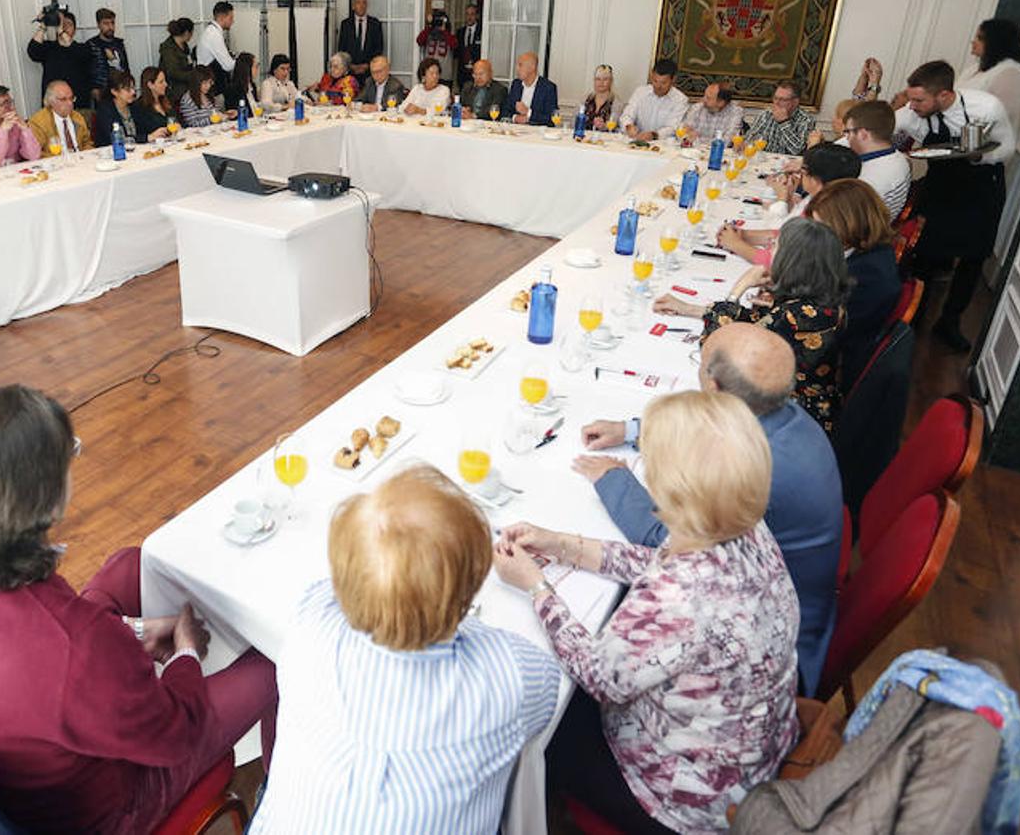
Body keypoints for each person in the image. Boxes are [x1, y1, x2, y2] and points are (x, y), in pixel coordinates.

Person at [0, 385, 278, 834]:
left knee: (128, 565)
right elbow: (175, 734)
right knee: (275, 663)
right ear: (43, 500)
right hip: (98, 812)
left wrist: (127, 634)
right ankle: (285, 803)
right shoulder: (71, 649)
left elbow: (43, 657)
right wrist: (185, 654)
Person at [495, 390, 800, 834]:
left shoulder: (679, 595)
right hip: (750, 746)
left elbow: (599, 676)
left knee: (542, 726)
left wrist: (536, 587)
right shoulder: (744, 523)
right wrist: (563, 544)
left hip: (689, 798)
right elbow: (659, 558)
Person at [251, 464, 562, 833]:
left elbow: (339, 586)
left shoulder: (311, 619)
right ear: (471, 587)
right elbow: (546, 703)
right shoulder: (511, 674)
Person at [576, 324, 842, 697]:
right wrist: (632, 431)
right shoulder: (778, 416)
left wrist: (613, 479)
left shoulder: (758, 468)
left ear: (714, 387)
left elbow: (666, 538)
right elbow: (708, 427)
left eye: (700, 365)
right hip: (772, 606)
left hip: (762, 651)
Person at [658, 217, 849, 431]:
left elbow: (722, 354)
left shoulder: (794, 316)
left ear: (792, 261)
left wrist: (738, 289)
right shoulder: (822, 302)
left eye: (776, 246)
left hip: (783, 421)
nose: (769, 250)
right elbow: (759, 325)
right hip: (817, 408)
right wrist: (691, 309)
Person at [894, 59, 1016, 352]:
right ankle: (913, 320)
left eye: (919, 100)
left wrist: (977, 156)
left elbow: (1007, 147)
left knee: (973, 258)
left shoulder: (986, 108)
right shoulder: (911, 113)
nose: (912, 106)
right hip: (941, 184)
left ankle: (949, 322)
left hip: (982, 186)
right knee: (924, 253)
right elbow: (883, 127)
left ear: (944, 96)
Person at [806, 178, 901, 389]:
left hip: (827, 367)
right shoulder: (869, 252)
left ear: (848, 224)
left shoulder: (869, 276)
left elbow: (821, 329)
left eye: (823, 228)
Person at [717, 143, 861, 264]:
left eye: (802, 171)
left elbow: (783, 265)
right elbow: (788, 237)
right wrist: (746, 235)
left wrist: (736, 245)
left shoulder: (823, 216)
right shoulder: (830, 201)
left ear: (813, 178)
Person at [960, 19, 1020, 268]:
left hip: (984, 163)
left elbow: (1002, 122)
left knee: (973, 239)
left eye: (979, 37)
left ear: (994, 42)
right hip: (962, 156)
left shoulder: (1012, 74)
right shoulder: (978, 66)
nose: (973, 42)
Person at [843, 100, 911, 219]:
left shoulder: (868, 182)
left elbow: (843, 220)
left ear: (863, 134)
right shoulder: (899, 157)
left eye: (848, 132)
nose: (846, 138)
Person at [27, 8, 94, 108]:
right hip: (53, 105)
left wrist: (61, 31)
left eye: (69, 24)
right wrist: (44, 25)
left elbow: (81, 54)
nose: (64, 27)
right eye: (62, 24)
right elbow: (33, 52)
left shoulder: (83, 48)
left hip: (78, 104)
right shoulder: (49, 47)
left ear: (75, 30)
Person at [620, 58, 688, 140]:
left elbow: (672, 127)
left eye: (663, 83)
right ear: (652, 75)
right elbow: (627, 115)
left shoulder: (680, 100)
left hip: (662, 144)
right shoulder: (640, 92)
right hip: (636, 139)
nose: (658, 86)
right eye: (655, 81)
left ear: (673, 80)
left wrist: (654, 135)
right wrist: (628, 126)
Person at [94, 71, 167, 145]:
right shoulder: (105, 111)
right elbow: (117, 138)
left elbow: (145, 127)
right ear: (114, 92)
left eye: (133, 88)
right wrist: (147, 137)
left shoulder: (134, 106)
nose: (133, 92)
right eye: (127, 89)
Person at [744, 80, 816, 155]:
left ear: (795, 102)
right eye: (775, 98)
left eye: (782, 100)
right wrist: (744, 143)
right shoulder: (766, 114)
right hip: (764, 160)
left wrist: (784, 122)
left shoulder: (806, 120)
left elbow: (798, 151)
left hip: (789, 164)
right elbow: (750, 138)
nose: (777, 103)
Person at [26, 80, 94, 154]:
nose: (70, 103)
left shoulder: (77, 117)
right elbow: (38, 153)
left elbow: (87, 143)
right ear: (50, 101)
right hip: (55, 162)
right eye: (63, 99)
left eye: (71, 98)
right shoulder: (38, 122)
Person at [86, 8, 130, 106]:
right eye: (106, 23)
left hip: (120, 90)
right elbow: (86, 71)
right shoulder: (91, 45)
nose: (110, 27)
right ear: (98, 25)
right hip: (101, 92)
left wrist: (128, 87)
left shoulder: (119, 44)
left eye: (112, 23)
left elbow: (125, 68)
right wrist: (93, 89)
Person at [337, 0, 383, 83]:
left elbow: (379, 47)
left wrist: (367, 65)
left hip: (370, 71)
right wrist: (351, 65)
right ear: (353, 6)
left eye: (364, 3)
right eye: (358, 3)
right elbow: (342, 48)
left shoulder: (375, 24)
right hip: (350, 71)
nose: (361, 6)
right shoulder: (345, 24)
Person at [681, 81, 746, 142]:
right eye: (704, 95)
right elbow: (685, 131)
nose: (703, 99)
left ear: (721, 102)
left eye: (708, 98)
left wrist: (697, 139)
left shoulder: (736, 112)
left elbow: (727, 141)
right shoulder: (697, 108)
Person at [506, 51, 558, 126]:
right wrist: (515, 117)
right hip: (515, 130)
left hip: (537, 133)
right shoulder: (516, 84)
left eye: (520, 65)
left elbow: (551, 118)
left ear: (532, 67)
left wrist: (528, 112)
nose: (517, 69)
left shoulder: (548, 88)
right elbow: (505, 109)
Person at [195, 1, 236, 93]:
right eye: (231, 18)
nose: (233, 21)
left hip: (210, 79)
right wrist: (241, 62)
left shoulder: (212, 31)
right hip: (209, 84)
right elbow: (227, 65)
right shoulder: (213, 35)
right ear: (221, 17)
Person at [415, 7, 456, 86]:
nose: (438, 24)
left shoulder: (449, 35)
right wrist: (429, 25)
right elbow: (419, 41)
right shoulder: (428, 33)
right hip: (428, 74)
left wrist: (444, 30)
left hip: (444, 75)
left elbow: (454, 44)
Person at [159, 18, 196, 103]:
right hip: (174, 89)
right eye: (192, 32)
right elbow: (173, 73)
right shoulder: (168, 49)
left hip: (187, 85)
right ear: (187, 33)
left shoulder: (184, 45)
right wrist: (194, 76)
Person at [133, 67, 174, 138]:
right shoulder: (140, 106)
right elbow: (139, 133)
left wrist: (177, 125)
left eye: (165, 81)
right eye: (161, 82)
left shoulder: (166, 100)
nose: (166, 84)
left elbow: (175, 120)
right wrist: (152, 135)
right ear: (150, 85)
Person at [221, 52, 261, 117]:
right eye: (255, 67)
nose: (257, 70)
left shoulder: (252, 86)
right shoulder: (232, 89)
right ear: (247, 68)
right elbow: (234, 114)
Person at [581, 64, 619, 130]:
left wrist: (604, 126)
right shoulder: (585, 99)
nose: (601, 82)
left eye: (605, 79)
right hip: (583, 138)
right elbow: (574, 122)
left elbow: (616, 126)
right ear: (594, 81)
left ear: (611, 81)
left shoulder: (616, 103)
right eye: (598, 79)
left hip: (606, 139)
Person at [454, 3, 482, 81]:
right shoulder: (460, 32)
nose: (469, 17)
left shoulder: (482, 31)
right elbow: (456, 53)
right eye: (467, 14)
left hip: (477, 72)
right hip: (462, 73)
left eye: (472, 14)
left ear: (477, 16)